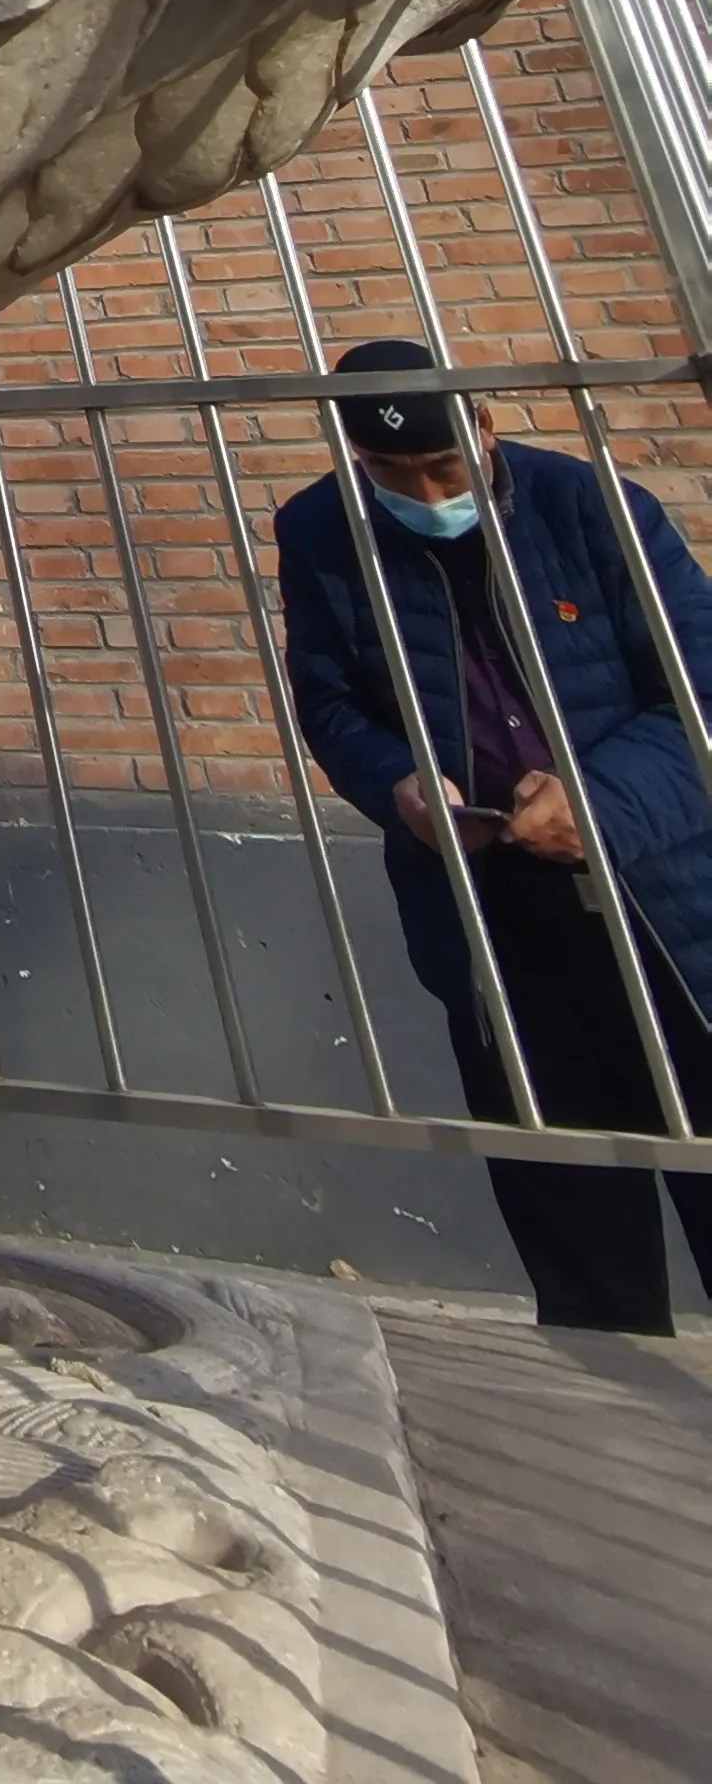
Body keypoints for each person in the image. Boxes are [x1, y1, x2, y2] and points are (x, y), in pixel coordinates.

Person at [276, 340, 712, 1330]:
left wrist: (598, 805)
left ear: (486, 427)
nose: (428, 493)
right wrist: (402, 790)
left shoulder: (590, 508)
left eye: (444, 468)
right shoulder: (319, 532)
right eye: (393, 475)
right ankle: (605, 1420)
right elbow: (331, 705)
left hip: (669, 903)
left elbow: (698, 692)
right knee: (572, 1214)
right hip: (491, 913)